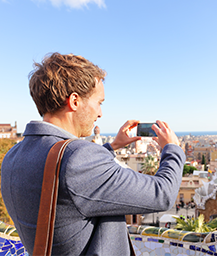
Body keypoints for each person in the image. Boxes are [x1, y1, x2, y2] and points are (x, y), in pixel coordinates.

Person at [1, 52, 185, 256]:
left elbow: (65, 181)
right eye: (99, 102)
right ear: (74, 101)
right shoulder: (78, 159)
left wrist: (112, 146)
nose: (100, 113)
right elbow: (163, 194)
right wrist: (172, 149)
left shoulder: (13, 155)